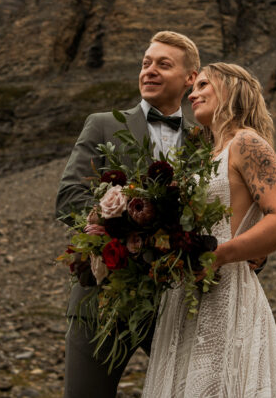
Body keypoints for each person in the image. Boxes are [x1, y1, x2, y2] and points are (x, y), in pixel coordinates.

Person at [56, 30, 201, 398]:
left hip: (176, 304)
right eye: (145, 63)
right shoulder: (103, 123)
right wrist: (125, 220)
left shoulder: (206, 138)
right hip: (101, 300)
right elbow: (68, 198)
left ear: (190, 79)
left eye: (163, 64)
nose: (149, 70)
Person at [142, 62, 276, 397]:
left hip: (225, 290)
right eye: (192, 88)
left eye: (203, 85)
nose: (193, 93)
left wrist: (220, 254)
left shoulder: (246, 143)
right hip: (184, 296)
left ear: (231, 88)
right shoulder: (201, 156)